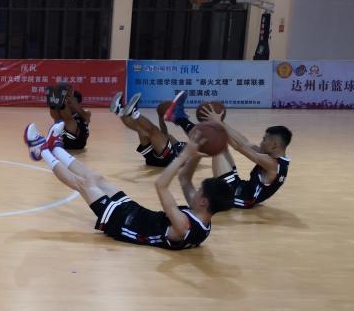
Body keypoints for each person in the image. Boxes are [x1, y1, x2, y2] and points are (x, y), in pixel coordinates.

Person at [22, 121, 234, 249]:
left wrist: (183, 155)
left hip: (123, 224)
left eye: (199, 192)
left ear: (204, 201)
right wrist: (196, 153)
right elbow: (185, 179)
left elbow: (161, 185)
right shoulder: (203, 218)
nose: (195, 192)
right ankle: (57, 148)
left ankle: (41, 149)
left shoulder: (184, 225)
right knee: (98, 178)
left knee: (84, 184)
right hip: (136, 213)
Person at [164, 93, 292, 209]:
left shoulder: (272, 164)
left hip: (237, 197)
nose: (261, 142)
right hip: (240, 189)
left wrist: (217, 124)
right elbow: (245, 142)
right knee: (218, 138)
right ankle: (179, 118)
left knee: (214, 139)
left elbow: (239, 147)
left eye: (264, 140)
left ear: (274, 145)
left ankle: (179, 118)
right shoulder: (276, 159)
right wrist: (220, 122)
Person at [110, 92, 185, 167]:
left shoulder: (186, 148)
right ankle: (119, 111)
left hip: (170, 158)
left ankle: (134, 112)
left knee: (154, 130)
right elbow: (165, 135)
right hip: (153, 159)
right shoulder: (181, 144)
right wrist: (160, 117)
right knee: (141, 130)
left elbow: (165, 135)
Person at [45, 83, 93, 150]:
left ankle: (60, 104)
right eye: (66, 101)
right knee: (58, 119)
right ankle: (52, 104)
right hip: (63, 141)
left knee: (68, 120)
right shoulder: (62, 113)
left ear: (78, 103)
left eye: (69, 102)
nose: (68, 104)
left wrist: (72, 100)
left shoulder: (86, 113)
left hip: (78, 142)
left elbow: (81, 113)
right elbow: (55, 117)